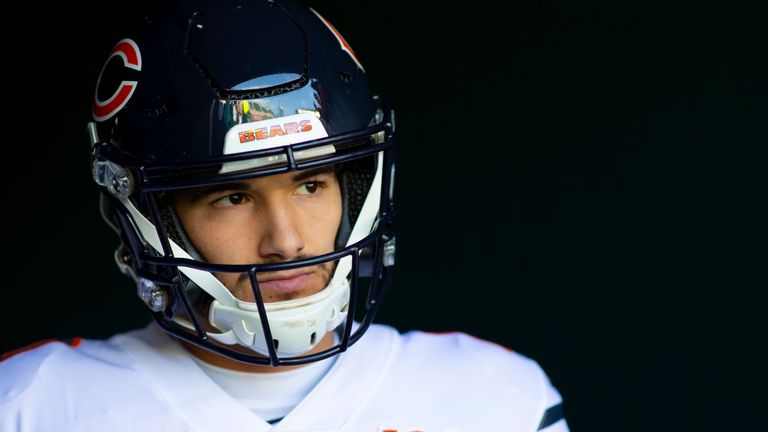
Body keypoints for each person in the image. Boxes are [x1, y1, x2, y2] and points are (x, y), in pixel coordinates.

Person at [0, 1, 570, 431]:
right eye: (232, 197)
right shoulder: (30, 405)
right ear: (146, 216)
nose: (287, 241)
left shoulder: (495, 401)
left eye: (311, 183)